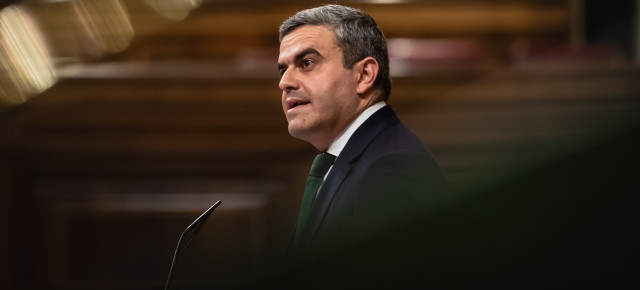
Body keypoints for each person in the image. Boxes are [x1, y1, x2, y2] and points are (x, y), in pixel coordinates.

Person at [277, 4, 444, 262]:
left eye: (307, 63)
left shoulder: (390, 169)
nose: (285, 82)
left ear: (364, 75)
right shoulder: (352, 157)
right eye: (283, 69)